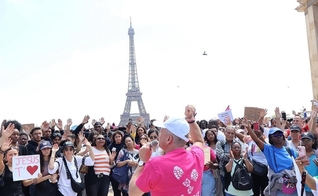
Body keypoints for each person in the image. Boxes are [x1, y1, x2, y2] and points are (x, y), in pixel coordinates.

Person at [128, 105, 204, 196]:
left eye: (161, 131)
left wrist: (142, 162)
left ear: (168, 139)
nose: (159, 134)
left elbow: (133, 193)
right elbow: (199, 140)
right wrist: (191, 119)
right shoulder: (196, 155)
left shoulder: (155, 165)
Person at [243, 119, 298, 196]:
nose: (278, 137)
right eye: (275, 135)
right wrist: (249, 128)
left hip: (292, 185)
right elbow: (256, 140)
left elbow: (298, 162)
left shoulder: (289, 150)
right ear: (271, 138)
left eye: (280, 135)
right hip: (278, 186)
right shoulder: (269, 149)